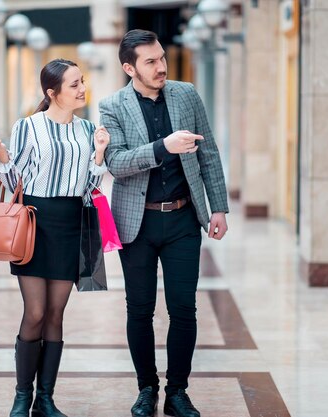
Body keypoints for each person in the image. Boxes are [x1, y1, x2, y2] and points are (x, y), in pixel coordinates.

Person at [99, 30, 229, 417]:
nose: (161, 67)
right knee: (139, 310)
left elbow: (209, 152)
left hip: (183, 219)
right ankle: (146, 389)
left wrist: (217, 207)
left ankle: (177, 392)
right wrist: (162, 147)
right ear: (129, 67)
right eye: (150, 61)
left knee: (184, 309)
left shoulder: (186, 94)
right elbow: (117, 164)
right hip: (135, 222)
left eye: (162, 58)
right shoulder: (112, 106)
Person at [0, 58, 110, 417]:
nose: (82, 88)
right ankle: (22, 396)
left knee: (56, 313)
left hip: (72, 221)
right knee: (35, 312)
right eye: (73, 84)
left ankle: (46, 400)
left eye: (81, 81)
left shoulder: (88, 130)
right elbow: (15, 185)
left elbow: (89, 188)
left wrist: (99, 153)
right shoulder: (28, 127)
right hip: (35, 223)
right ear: (52, 93)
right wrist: (2, 155)